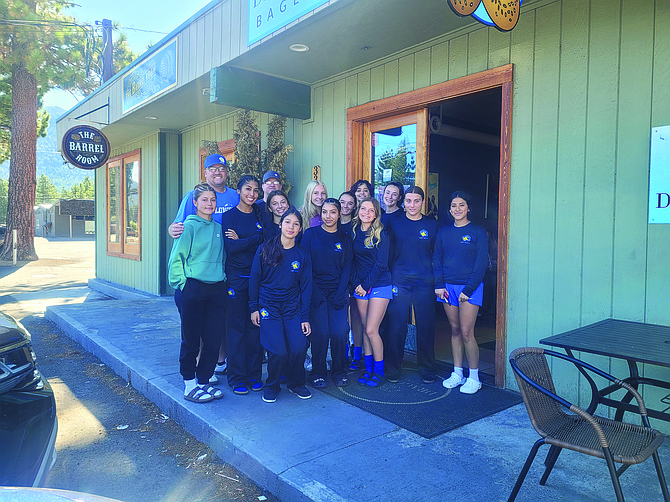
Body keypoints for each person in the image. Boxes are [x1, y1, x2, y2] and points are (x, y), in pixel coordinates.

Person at [169, 153, 238, 378]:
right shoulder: (191, 202)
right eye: (212, 168)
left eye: (222, 168)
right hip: (192, 282)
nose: (217, 172)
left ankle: (209, 372)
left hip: (218, 279)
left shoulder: (234, 198)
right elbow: (177, 237)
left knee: (214, 331)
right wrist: (182, 284)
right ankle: (191, 377)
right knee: (192, 332)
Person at [168, 183, 226, 403]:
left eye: (213, 200)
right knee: (191, 339)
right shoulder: (188, 226)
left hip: (216, 288)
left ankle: (203, 381)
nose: (209, 204)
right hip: (192, 288)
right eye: (204, 200)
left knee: (212, 339)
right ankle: (189, 384)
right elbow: (177, 258)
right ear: (195, 203)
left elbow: (222, 258)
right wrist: (182, 284)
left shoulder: (218, 229)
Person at [249, 208, 313, 403]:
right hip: (269, 306)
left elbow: (307, 286)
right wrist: (254, 308)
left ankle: (296, 384)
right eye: (287, 223)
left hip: (292, 307)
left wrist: (305, 317)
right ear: (280, 225)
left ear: (300, 229)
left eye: (295, 224)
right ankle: (272, 385)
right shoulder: (266, 248)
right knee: (278, 351)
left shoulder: (302, 254)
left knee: (299, 346)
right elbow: (254, 278)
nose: (291, 227)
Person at [434, 191, 488, 395]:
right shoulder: (444, 232)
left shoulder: (477, 231)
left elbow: (481, 263)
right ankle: (457, 373)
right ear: (450, 209)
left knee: (467, 332)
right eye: (454, 205)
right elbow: (437, 259)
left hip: (470, 288)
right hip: (447, 288)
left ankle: (474, 377)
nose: (457, 209)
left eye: (461, 205)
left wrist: (468, 289)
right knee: (454, 330)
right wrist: (439, 285)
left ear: (468, 208)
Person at [386, 186, 439, 383]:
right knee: (397, 325)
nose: (412, 205)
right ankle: (393, 368)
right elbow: (388, 252)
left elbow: (437, 255)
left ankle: (426, 368)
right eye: (408, 201)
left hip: (425, 282)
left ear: (422, 202)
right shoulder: (394, 222)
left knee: (425, 325)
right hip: (400, 279)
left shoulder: (432, 225)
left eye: (416, 201)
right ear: (403, 201)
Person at [302, 198, 352, 388]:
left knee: (340, 332)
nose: (328, 216)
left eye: (332, 212)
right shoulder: (310, 234)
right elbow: (305, 266)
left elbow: (347, 267)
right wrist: (313, 291)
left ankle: (339, 371)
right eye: (324, 212)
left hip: (338, 292)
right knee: (320, 333)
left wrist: (341, 292)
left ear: (339, 214)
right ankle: (318, 372)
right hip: (316, 292)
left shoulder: (345, 237)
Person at [222, 175, 265, 396]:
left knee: (255, 328)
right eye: (247, 189)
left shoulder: (260, 214)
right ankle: (236, 377)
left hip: (257, 279)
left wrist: (243, 240)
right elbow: (231, 248)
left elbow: (266, 241)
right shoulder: (230, 216)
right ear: (238, 191)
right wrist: (253, 239)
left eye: (256, 190)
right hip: (236, 279)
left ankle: (254, 375)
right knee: (236, 328)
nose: (252, 193)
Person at [351, 198, 392, 387]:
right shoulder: (352, 232)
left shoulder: (381, 234)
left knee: (371, 329)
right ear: (358, 210)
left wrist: (366, 284)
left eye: (371, 210)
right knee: (366, 330)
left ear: (376, 214)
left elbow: (381, 264)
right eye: (363, 209)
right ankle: (368, 370)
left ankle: (380, 372)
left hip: (379, 285)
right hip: (360, 287)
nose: (366, 213)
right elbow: (350, 262)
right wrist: (357, 284)